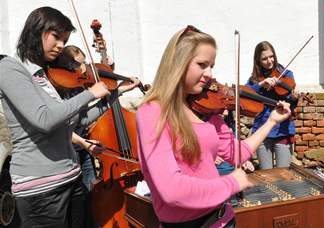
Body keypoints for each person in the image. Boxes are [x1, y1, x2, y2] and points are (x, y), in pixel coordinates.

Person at [136, 25, 291, 227]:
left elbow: (237, 153)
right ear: (177, 63)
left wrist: (271, 121)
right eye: (202, 64)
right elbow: (171, 190)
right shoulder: (152, 111)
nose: (209, 73)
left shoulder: (205, 110)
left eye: (211, 66)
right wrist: (231, 182)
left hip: (224, 219)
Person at [0, 6, 123, 227]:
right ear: (35, 30)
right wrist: (89, 93)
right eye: (56, 37)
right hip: (40, 190)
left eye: (64, 40)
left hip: (72, 179)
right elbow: (44, 120)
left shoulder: (47, 74)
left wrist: (115, 95)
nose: (60, 46)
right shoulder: (10, 68)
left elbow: (78, 121)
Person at [52, 45, 140, 228]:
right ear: (66, 65)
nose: (84, 69)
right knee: (75, 203)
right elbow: (63, 127)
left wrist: (119, 89)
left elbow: (83, 119)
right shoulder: (57, 89)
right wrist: (84, 143)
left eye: (85, 62)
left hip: (84, 151)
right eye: (79, 64)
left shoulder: (76, 86)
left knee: (90, 196)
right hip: (69, 152)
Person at [245, 41, 300, 169]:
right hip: (262, 129)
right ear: (258, 61)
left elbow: (291, 104)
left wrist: (293, 98)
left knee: (283, 173)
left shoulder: (286, 74)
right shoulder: (255, 79)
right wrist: (260, 84)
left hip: (283, 129)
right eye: (264, 58)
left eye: (271, 56)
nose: (269, 61)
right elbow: (245, 94)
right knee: (266, 174)